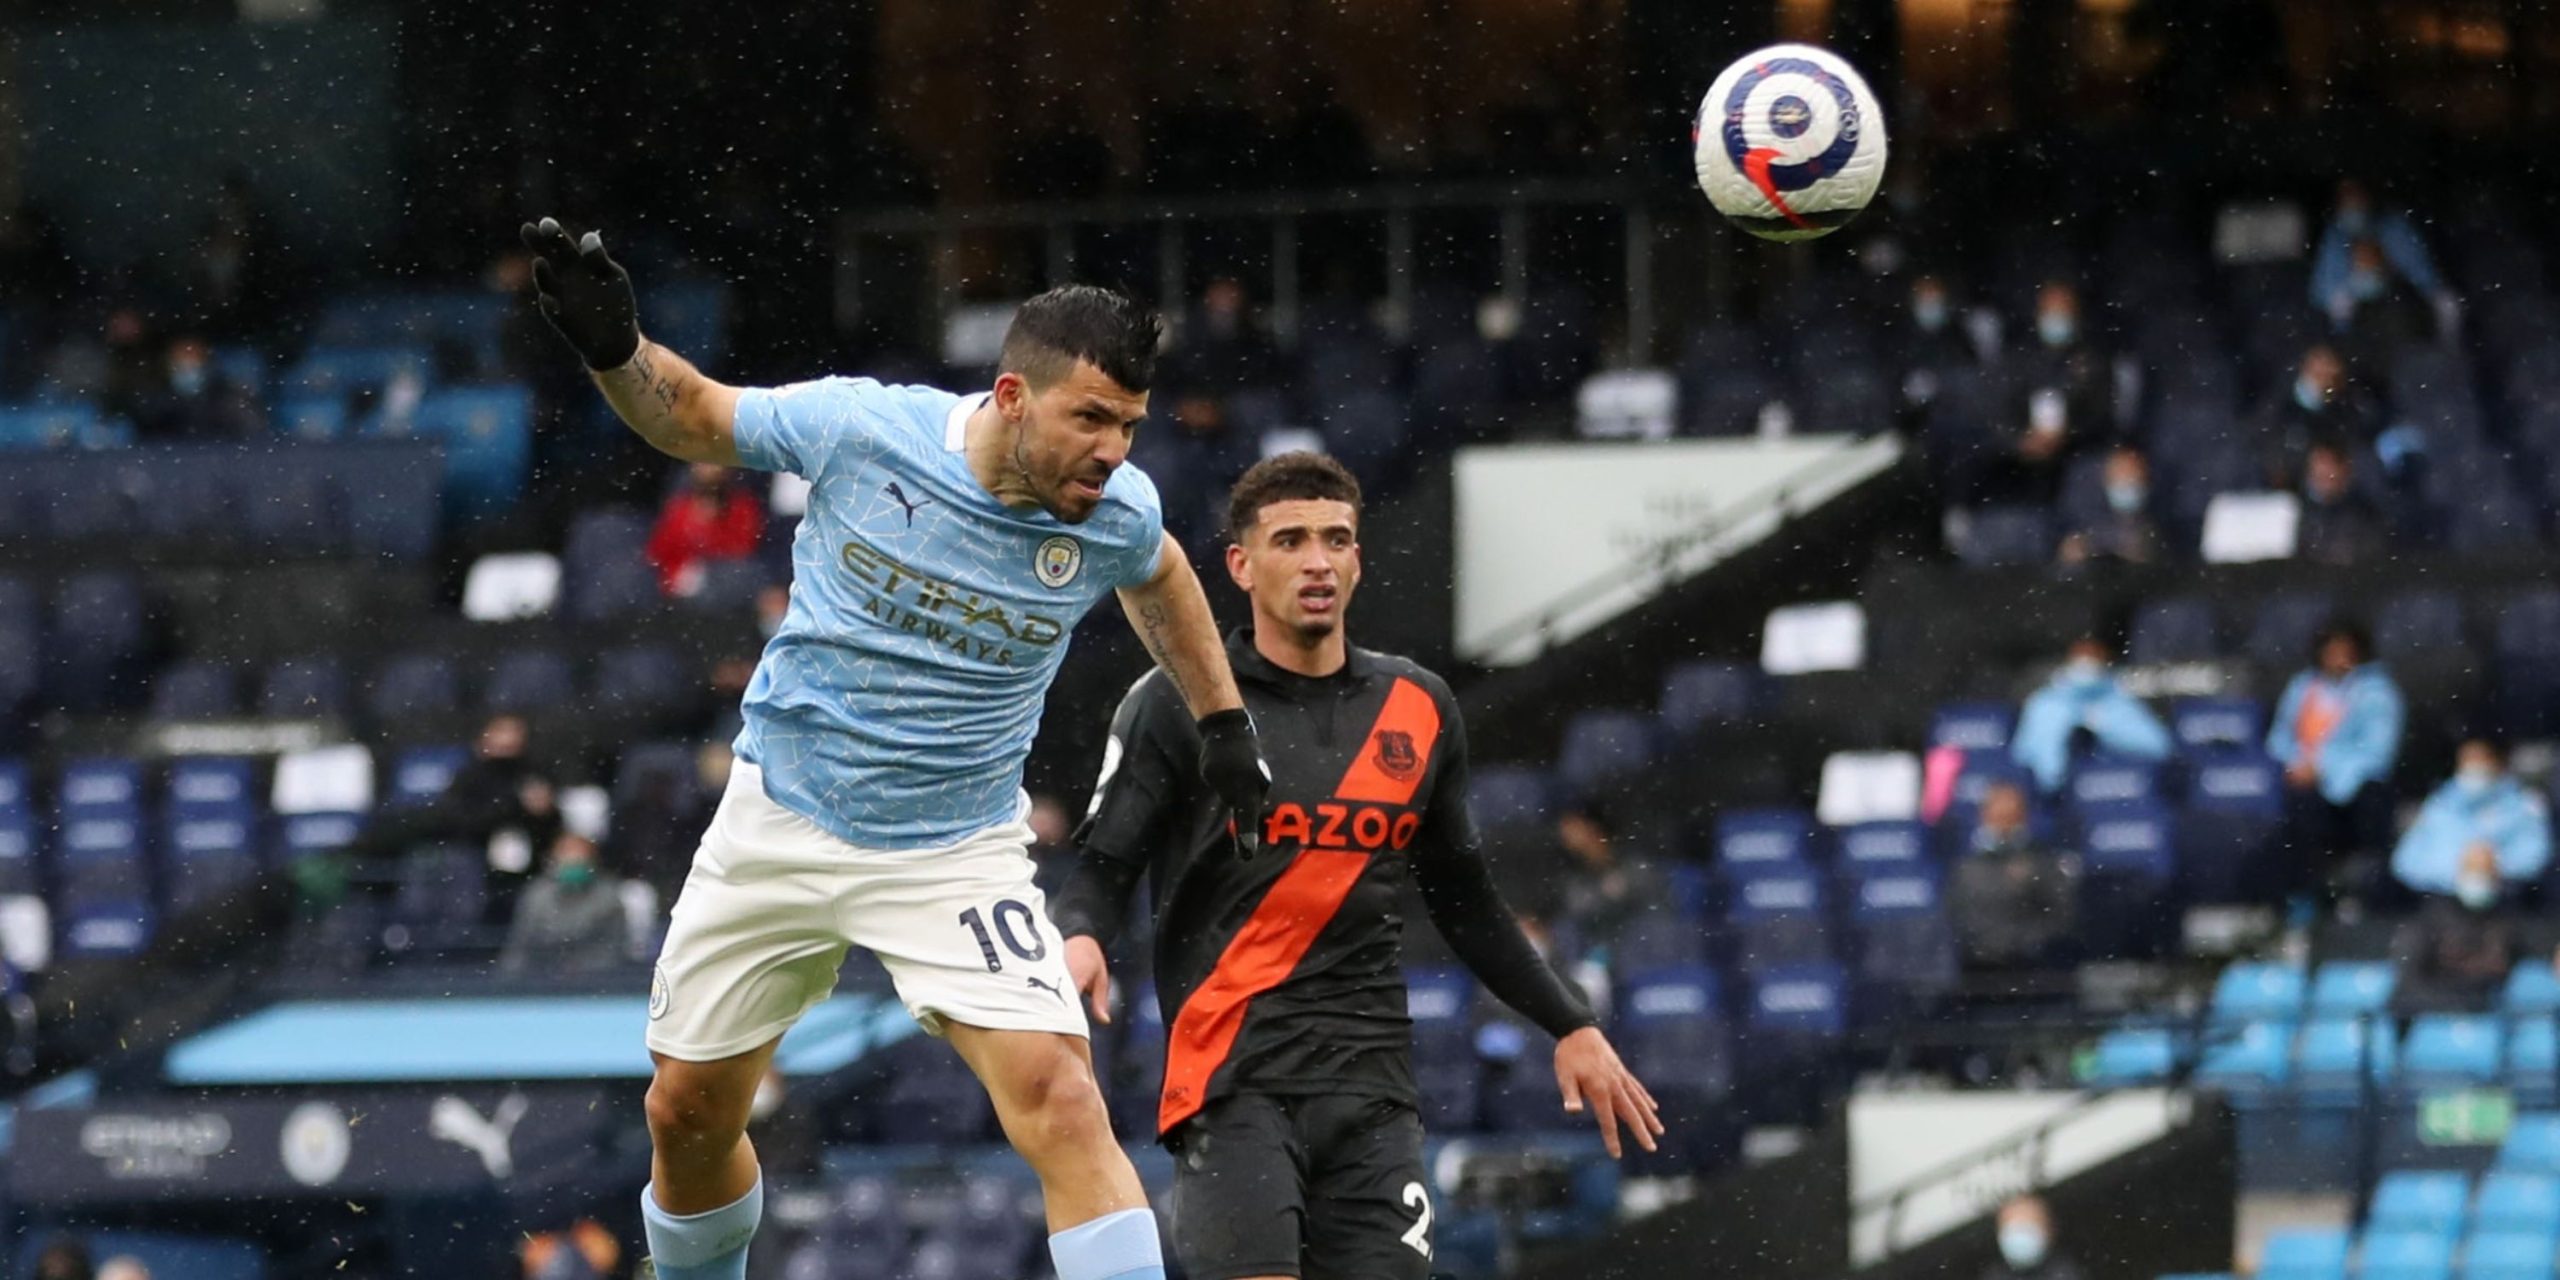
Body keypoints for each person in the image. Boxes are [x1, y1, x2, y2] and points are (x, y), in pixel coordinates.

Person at [520, 217, 1270, 1280]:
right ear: (1012, 397)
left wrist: (1223, 723)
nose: (1114, 450)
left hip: (952, 849)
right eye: (1092, 417)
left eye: (1130, 425)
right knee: (685, 1112)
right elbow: (692, 414)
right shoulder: (864, 429)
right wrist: (616, 349)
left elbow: (1162, 575)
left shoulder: (1114, 509)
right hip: (781, 818)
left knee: (1061, 1094)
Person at [1055, 452, 1659, 1280]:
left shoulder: (1418, 706)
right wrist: (1080, 935)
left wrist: (1570, 1021)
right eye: (1291, 540)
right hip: (1232, 1083)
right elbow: (1102, 865)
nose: (1318, 562)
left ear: (1359, 560)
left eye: (1336, 540)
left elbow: (1465, 900)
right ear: (1240, 564)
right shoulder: (1176, 698)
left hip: (1374, 1092)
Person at [2267, 623, 2404, 899]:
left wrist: (2324, 768)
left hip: (2357, 786)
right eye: (2331, 652)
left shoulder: (2377, 692)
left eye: (2345, 653)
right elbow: (2280, 736)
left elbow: (2378, 751)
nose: (2338, 659)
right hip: (2304, 780)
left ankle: (2365, 894)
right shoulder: (2303, 686)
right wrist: (2294, 764)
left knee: (2370, 805)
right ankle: (2301, 897)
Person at [2390, 739, 2552, 903]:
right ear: (2495, 872)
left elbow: (2403, 862)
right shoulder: (2527, 860)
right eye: (2482, 869)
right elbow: (2527, 810)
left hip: (2446, 779)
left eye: (2471, 867)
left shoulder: (2433, 862)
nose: (2477, 862)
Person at [2009, 638, 2173, 794]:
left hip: (2102, 789)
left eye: (2092, 661)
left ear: (2104, 664)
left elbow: (2160, 746)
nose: (2086, 667)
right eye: (2081, 661)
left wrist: (2103, 725)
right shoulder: (2044, 703)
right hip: (2047, 795)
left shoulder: (2120, 701)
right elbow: (2022, 752)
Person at [1949, 783, 2081, 973]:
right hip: (1978, 969)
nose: (2004, 826)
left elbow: (2060, 917)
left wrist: (2023, 943)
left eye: (2011, 817)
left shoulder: (2043, 863)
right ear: (1983, 816)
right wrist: (1988, 945)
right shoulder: (1965, 868)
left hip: (2035, 968)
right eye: (1998, 817)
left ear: (2023, 817)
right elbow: (1958, 919)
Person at [2393, 846, 2539, 1015]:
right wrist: (2460, 1005)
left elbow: (2531, 957)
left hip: (2487, 1014)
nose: (2480, 879)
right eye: (2474, 870)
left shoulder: (2507, 920)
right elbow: (2409, 981)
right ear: (2460, 874)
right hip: (2433, 1012)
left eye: (2487, 872)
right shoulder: (2430, 918)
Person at [1550, 803, 1666, 967]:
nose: (1565, 836)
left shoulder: (1632, 863)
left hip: (1638, 951)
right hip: (1596, 954)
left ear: (1593, 828)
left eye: (1573, 827)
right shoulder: (1573, 875)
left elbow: (1653, 910)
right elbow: (1578, 913)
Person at [499, 833, 632, 976]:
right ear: (556, 860)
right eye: (568, 858)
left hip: (594, 979)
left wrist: (578, 967)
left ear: (592, 862)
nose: (574, 864)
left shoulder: (608, 896)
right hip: (541, 975)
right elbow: (521, 944)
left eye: (580, 860)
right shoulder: (538, 894)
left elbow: (612, 950)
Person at [646, 462, 768, 597]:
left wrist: (712, 528)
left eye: (714, 464)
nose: (708, 470)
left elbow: (742, 549)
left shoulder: (742, 506)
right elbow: (660, 551)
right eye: (702, 464)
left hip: (723, 578)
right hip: (682, 580)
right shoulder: (679, 507)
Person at [2057, 445, 2164, 567]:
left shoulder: (2159, 514)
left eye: (2134, 480)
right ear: (2107, 478)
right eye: (2122, 478)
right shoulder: (2084, 511)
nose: (2128, 484)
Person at [2294, 440, 2390, 566]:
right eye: (2317, 474)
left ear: (2343, 469)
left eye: (2327, 474)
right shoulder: (2304, 512)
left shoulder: (2363, 514)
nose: (2322, 480)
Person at [1983, 1193, 2084, 1280]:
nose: (2021, 1235)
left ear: (2048, 1230)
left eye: (2026, 1227)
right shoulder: (1994, 1276)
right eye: (2016, 1228)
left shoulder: (2064, 1272)